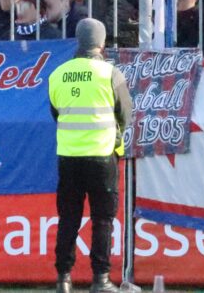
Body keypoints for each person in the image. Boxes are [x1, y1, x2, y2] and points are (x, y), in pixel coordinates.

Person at [48, 19, 132, 293]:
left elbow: (56, 113)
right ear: (102, 42)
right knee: (103, 220)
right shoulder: (110, 74)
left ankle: (63, 279)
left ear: (78, 40)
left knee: (68, 218)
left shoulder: (58, 74)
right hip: (102, 155)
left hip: (69, 157)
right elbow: (126, 115)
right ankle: (101, 279)